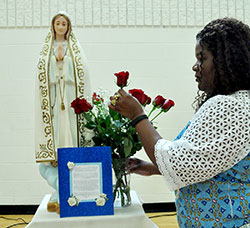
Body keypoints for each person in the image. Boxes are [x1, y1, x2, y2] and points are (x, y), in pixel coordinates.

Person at [109, 18, 250, 227]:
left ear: (226, 61)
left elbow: (178, 163)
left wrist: (137, 115)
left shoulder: (230, 106)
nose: (195, 66)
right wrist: (154, 167)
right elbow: (209, 161)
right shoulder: (240, 101)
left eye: (202, 58)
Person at [35, 11, 91, 213]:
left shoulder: (75, 50)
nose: (60, 26)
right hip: (55, 104)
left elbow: (82, 71)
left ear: (68, 27)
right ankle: (62, 188)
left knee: (73, 139)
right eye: (57, 23)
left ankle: (73, 187)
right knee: (57, 142)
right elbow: (42, 75)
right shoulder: (46, 50)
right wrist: (54, 61)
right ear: (53, 26)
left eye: (64, 23)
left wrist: (65, 61)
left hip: (70, 103)